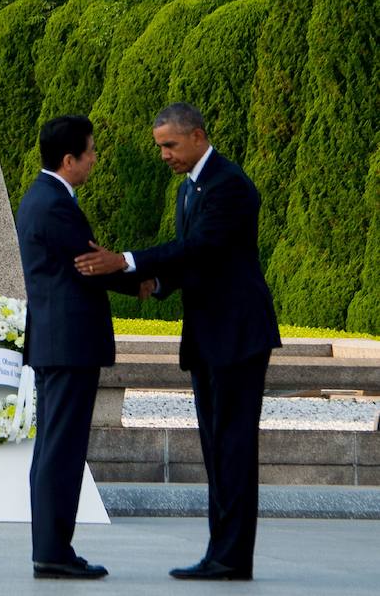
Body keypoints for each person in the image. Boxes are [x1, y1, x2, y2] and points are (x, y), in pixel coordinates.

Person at [74, 102, 281, 580]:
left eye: (170, 145)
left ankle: (231, 558)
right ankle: (220, 553)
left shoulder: (228, 184)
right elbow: (195, 263)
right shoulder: (189, 190)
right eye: (160, 147)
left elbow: (200, 247)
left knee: (232, 446)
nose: (164, 155)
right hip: (210, 336)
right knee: (215, 446)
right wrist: (156, 285)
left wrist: (126, 261)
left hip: (237, 336)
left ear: (198, 136)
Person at [16, 115, 152, 580]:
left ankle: (52, 547)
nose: (95, 158)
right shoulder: (55, 204)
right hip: (69, 344)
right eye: (90, 151)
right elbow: (90, 264)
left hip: (57, 344)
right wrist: (142, 280)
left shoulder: (44, 198)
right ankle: (53, 552)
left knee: (55, 447)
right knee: (62, 449)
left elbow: (90, 262)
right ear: (69, 159)